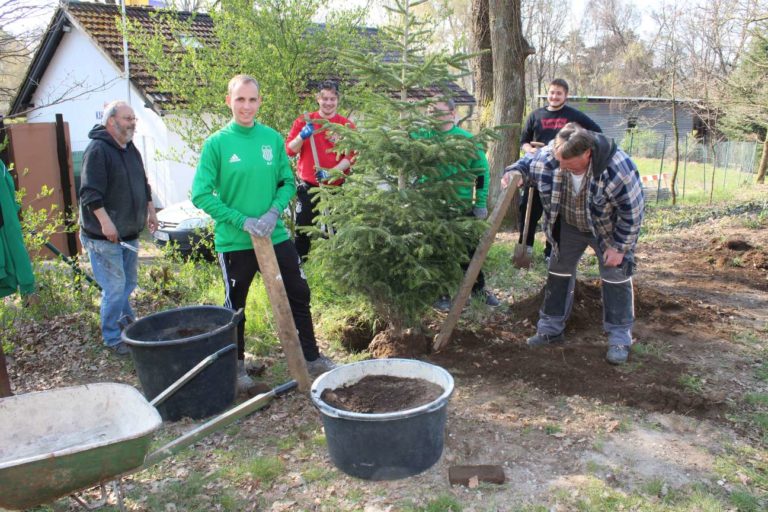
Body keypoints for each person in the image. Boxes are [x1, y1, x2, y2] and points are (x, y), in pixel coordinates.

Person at [192, 75, 335, 392]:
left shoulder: (270, 139)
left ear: (259, 102)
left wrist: (273, 212)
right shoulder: (217, 144)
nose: (246, 106)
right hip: (235, 241)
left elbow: (287, 182)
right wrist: (241, 220)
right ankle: (237, 366)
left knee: (299, 290)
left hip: (276, 235)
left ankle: (311, 357)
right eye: (240, 99)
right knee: (235, 307)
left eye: (252, 100)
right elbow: (200, 194)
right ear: (229, 101)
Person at [501, 123, 644, 364]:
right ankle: (550, 330)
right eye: (558, 159)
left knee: (615, 276)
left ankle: (619, 338)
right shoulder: (552, 157)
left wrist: (619, 248)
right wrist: (515, 172)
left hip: (606, 230)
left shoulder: (617, 168)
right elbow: (528, 162)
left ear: (587, 153)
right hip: (567, 224)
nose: (561, 165)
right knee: (557, 273)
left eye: (567, 162)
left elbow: (633, 212)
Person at [79, 100, 158, 356]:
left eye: (133, 118)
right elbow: (90, 194)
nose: (133, 122)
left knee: (128, 282)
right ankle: (113, 338)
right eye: (127, 118)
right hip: (103, 237)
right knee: (114, 288)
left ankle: (126, 324)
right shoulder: (98, 150)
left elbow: (142, 182)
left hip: (129, 233)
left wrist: (150, 210)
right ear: (111, 121)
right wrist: (105, 222)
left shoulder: (129, 148)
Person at [518, 79, 602, 262]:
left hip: (562, 172)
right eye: (552, 92)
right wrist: (529, 150)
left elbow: (596, 132)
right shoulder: (535, 115)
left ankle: (551, 252)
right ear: (547, 93)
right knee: (528, 209)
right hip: (538, 170)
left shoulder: (573, 115)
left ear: (566, 95)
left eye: (559, 93)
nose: (554, 96)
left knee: (556, 212)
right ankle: (526, 246)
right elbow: (524, 140)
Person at [429, 99, 500, 311]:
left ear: (452, 113)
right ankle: (439, 293)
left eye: (438, 112)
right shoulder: (421, 137)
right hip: (430, 206)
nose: (433, 116)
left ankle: (477, 289)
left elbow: (481, 173)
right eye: (430, 111)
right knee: (436, 250)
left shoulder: (467, 140)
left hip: (460, 205)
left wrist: (479, 203)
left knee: (469, 250)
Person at [285, 80, 355, 261]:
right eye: (325, 98)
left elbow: (351, 157)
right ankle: (299, 270)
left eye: (332, 99)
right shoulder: (305, 121)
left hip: (334, 188)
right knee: (303, 231)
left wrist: (332, 172)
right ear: (318, 98)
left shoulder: (345, 126)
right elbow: (290, 150)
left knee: (334, 233)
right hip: (308, 188)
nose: (328, 103)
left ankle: (334, 271)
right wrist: (301, 136)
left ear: (338, 100)